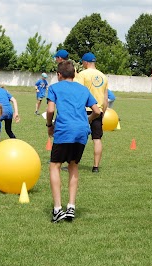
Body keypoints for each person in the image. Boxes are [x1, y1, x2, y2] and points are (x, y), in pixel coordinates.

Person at [46, 60, 101, 223]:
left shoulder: (54, 88)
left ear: (59, 75)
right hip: (81, 131)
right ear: (74, 74)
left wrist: (49, 125)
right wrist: (88, 120)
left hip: (64, 130)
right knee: (73, 165)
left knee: (54, 166)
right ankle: (71, 207)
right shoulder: (83, 89)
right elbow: (97, 111)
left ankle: (57, 209)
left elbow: (50, 110)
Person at [75, 52, 109, 173]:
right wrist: (102, 113)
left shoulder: (82, 75)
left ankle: (73, 164)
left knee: (76, 138)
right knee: (97, 139)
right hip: (98, 111)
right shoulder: (103, 77)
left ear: (86, 62)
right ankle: (95, 167)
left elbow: (78, 93)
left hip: (83, 111)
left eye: (82, 62)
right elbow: (106, 99)